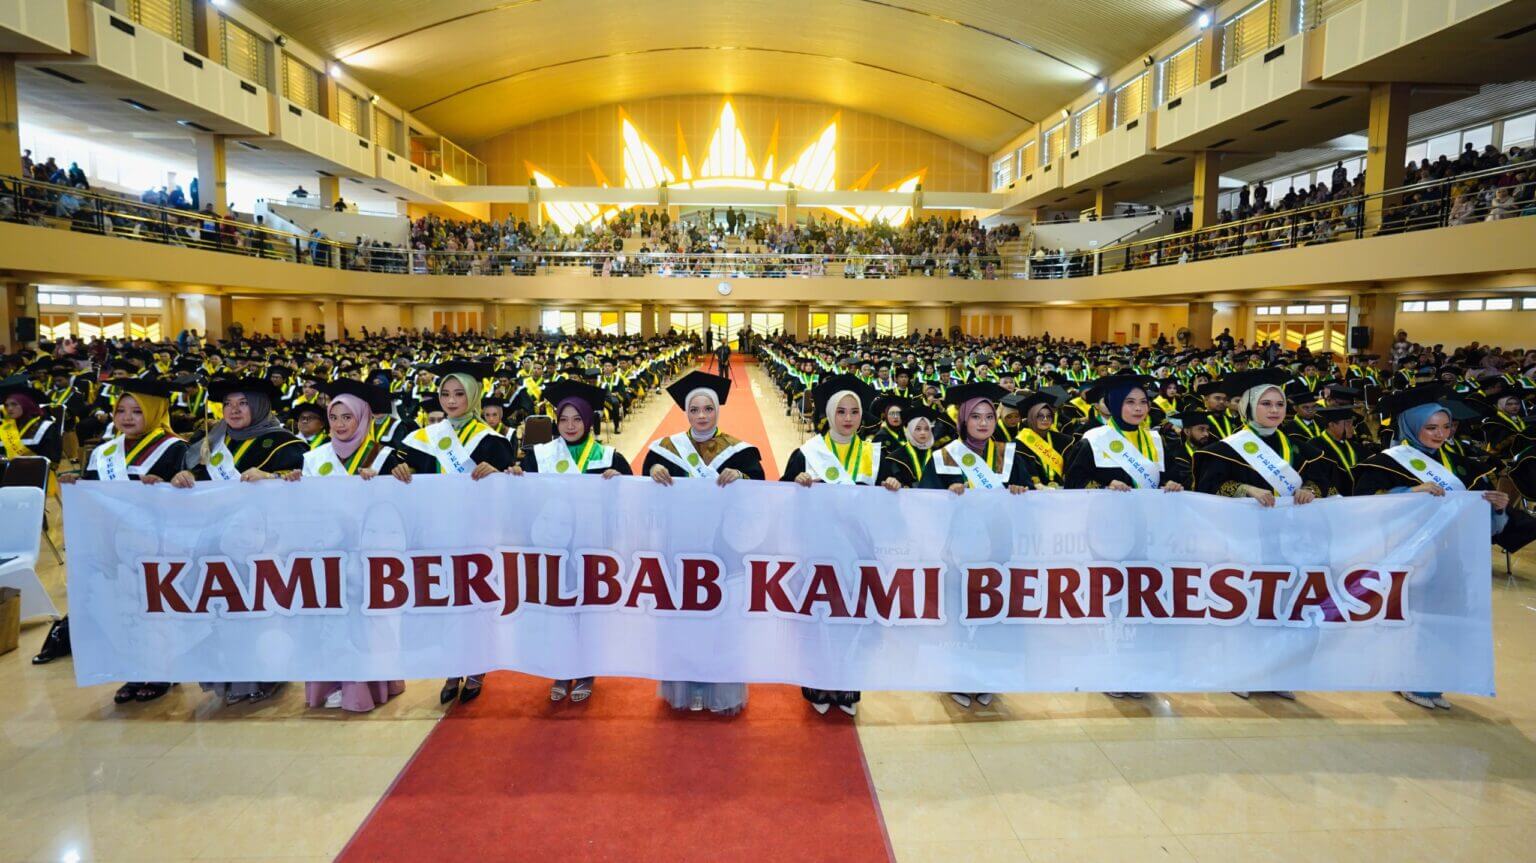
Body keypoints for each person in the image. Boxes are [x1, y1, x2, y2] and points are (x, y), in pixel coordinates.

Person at [1351, 384, 1520, 711]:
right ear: (1412, 426)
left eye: (1446, 426)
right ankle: (1408, 677)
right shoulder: (1383, 464)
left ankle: (1434, 679)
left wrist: (1497, 508)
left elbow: (1485, 525)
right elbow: (1362, 508)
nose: (1440, 434)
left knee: (1445, 620)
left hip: (1451, 555)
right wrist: (1408, 493)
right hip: (1408, 556)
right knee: (1415, 619)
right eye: (1431, 427)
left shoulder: (1464, 466)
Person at [1193, 368, 1331, 700]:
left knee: (1283, 605)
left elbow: (1323, 480)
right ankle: (1239, 671)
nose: (1274, 410)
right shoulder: (1226, 449)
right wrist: (1244, 489)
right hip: (1242, 541)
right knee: (1246, 604)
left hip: (1291, 542)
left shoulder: (1300, 447)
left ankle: (1277, 672)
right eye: (1266, 404)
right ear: (1248, 407)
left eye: (1279, 404)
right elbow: (1207, 488)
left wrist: (1311, 490)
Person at [169, 378, 306, 705]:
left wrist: (272, 477)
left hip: (261, 545)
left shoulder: (285, 444)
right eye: (228, 403)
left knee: (259, 611)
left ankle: (267, 675)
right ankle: (228, 674)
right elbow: (197, 483)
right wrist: (183, 477)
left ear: (259, 406)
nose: (233, 410)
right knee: (222, 612)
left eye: (243, 403)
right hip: (215, 545)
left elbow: (302, 488)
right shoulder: (210, 441)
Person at [52, 380, 189, 701]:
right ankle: (133, 671)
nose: (127, 418)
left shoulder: (175, 448)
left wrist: (165, 484)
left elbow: (186, 494)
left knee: (156, 608)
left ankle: (164, 671)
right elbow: (94, 490)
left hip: (158, 544)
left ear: (154, 412)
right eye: (121, 411)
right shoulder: (105, 452)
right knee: (123, 609)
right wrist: (76, 483)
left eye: (137, 411)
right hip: (113, 545)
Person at [394, 361, 517, 705]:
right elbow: (403, 470)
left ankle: (476, 667)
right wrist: (398, 469)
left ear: (473, 396)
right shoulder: (423, 439)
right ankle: (452, 667)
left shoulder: (492, 441)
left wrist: (499, 474)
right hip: (436, 535)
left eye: (459, 394)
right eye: (445, 394)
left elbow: (512, 487)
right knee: (446, 601)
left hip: (477, 536)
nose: (450, 401)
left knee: (475, 602)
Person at [284, 381, 407, 711]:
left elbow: (400, 503)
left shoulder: (385, 457)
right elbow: (305, 509)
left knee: (368, 622)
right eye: (333, 417)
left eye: (347, 417)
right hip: (327, 554)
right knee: (330, 621)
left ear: (363, 418)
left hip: (369, 556)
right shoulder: (313, 459)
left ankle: (369, 685)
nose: (339, 424)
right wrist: (290, 483)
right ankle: (332, 684)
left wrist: (393, 479)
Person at [645, 371, 763, 715]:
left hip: (722, 549)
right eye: (694, 409)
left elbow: (760, 486)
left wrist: (741, 476)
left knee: (718, 618)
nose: (701, 416)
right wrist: (651, 474)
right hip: (679, 547)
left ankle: (716, 685)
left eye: (708, 409)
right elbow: (645, 489)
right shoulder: (666, 451)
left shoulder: (739, 452)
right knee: (684, 616)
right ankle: (689, 684)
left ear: (717, 411)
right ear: (686, 412)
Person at [511, 378, 632, 704]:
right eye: (563, 419)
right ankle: (562, 669)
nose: (570, 426)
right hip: (553, 549)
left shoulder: (609, 457)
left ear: (589, 420)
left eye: (577, 419)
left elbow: (631, 502)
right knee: (558, 611)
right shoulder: (539, 457)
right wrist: (516, 479)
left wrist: (620, 482)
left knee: (587, 612)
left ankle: (587, 670)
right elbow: (526, 499)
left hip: (593, 549)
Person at [1063, 375, 1182, 701]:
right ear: (1115, 405)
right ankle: (1107, 670)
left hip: (1149, 535)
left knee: (1140, 601)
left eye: (1143, 402)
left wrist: (1173, 484)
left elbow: (1173, 476)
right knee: (1109, 603)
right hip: (1107, 534)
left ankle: (1136, 670)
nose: (1138, 408)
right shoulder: (1094, 440)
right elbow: (1073, 484)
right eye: (1130, 402)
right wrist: (1105, 488)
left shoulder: (1157, 441)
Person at [781, 374, 881, 716]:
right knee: (820, 616)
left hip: (858, 550)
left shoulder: (874, 454)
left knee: (851, 616)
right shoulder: (807, 454)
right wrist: (795, 484)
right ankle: (817, 686)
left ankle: (847, 689)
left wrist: (894, 485)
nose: (848, 418)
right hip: (817, 549)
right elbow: (780, 496)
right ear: (829, 414)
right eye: (841, 412)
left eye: (854, 412)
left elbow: (891, 504)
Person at [877, 401, 944, 490]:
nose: (923, 433)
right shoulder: (896, 458)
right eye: (918, 429)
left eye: (926, 429)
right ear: (910, 430)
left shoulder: (940, 455)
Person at [1, 381, 63, 467]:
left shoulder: (45, 427)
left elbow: (52, 460)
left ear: (26, 404)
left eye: (14, 404)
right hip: (7, 472)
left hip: (36, 472)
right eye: (6, 405)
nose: (9, 408)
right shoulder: (4, 427)